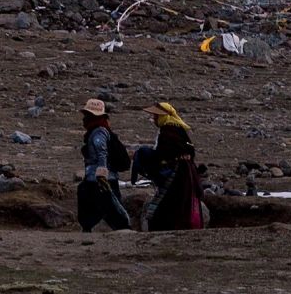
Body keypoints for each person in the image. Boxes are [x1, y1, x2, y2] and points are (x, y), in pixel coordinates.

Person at [132, 101, 204, 231]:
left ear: (163, 116)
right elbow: (190, 151)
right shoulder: (178, 129)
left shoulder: (167, 132)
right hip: (185, 171)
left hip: (176, 173)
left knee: (170, 201)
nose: (154, 119)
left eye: (156, 116)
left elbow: (163, 154)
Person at [77, 98, 131, 232]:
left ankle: (120, 228)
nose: (84, 119)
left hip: (99, 178)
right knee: (103, 203)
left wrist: (101, 174)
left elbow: (102, 152)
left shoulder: (98, 132)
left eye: (87, 116)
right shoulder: (102, 130)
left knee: (106, 204)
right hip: (102, 177)